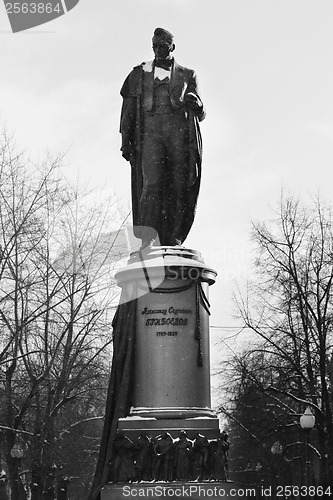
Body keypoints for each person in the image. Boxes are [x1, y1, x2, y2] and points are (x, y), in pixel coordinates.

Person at [120, 27, 205, 248]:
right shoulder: (139, 73)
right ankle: (148, 239)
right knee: (151, 184)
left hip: (178, 135)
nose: (157, 50)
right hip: (150, 134)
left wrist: (199, 104)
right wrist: (125, 140)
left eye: (162, 46)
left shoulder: (188, 74)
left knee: (178, 185)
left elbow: (201, 114)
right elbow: (128, 109)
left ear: (172, 47)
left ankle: (175, 237)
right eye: (154, 46)